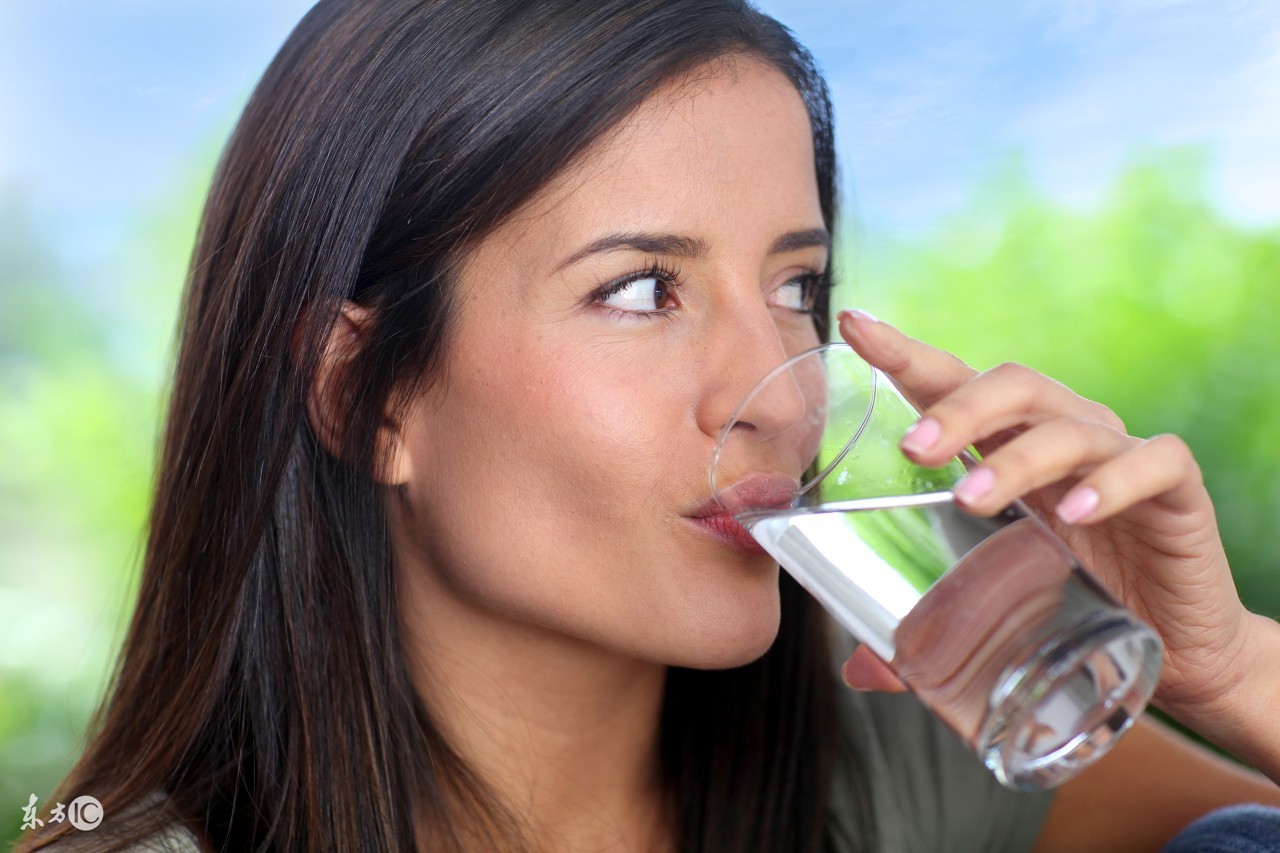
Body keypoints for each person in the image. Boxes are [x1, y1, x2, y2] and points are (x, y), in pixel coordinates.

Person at [20, 1, 1280, 850]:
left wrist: (1233, 675)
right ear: (364, 394)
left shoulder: (905, 767)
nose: (766, 385)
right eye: (639, 290)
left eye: (794, 288)